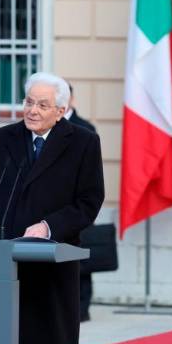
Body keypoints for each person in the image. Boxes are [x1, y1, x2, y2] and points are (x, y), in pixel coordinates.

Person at [0, 72, 105, 344]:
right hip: (7, 263)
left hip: (54, 263)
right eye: (29, 102)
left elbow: (89, 202)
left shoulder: (83, 142)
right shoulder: (3, 138)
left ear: (61, 110)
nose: (32, 110)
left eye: (42, 105)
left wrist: (48, 227)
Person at [64, 83, 97, 323]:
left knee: (80, 259)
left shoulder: (86, 128)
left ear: (71, 99)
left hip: (77, 203)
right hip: (52, 207)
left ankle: (82, 307)